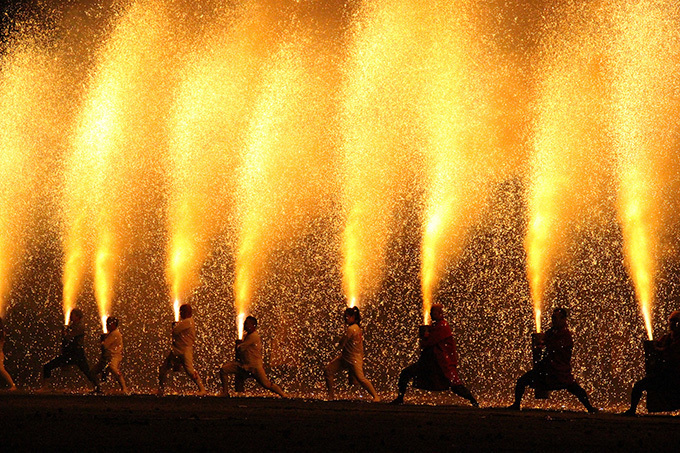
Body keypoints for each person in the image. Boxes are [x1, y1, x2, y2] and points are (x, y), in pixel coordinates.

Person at [509, 307, 597, 413]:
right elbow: (545, 342)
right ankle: (516, 404)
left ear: (563, 319)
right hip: (548, 370)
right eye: (553, 318)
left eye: (556, 318)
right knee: (522, 381)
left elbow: (556, 346)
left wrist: (544, 342)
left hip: (559, 371)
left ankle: (590, 408)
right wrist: (540, 341)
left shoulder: (565, 335)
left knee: (575, 389)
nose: (553, 321)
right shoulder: (552, 332)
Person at [390, 303, 478, 407]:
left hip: (440, 363)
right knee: (406, 374)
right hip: (431, 362)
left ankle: (473, 401)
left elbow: (428, 342)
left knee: (455, 385)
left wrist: (425, 334)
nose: (431, 315)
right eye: (431, 313)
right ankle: (400, 398)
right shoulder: (437, 326)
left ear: (440, 313)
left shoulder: (442, 326)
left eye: (433, 312)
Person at [623, 310, 680, 415]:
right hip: (664, 375)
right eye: (671, 322)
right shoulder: (666, 338)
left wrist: (659, 349)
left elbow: (672, 351)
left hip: (676, 375)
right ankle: (632, 410)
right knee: (639, 386)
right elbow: (658, 347)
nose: (672, 325)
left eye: (675, 322)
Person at [219, 315, 287, 398]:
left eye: (247, 324)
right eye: (245, 323)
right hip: (244, 365)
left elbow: (241, 348)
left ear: (253, 325)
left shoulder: (253, 336)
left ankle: (283, 394)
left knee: (266, 384)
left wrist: (238, 344)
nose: (245, 325)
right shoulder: (248, 336)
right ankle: (228, 393)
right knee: (224, 370)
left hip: (254, 366)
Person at [325, 306, 380, 402]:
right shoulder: (357, 328)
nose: (345, 319)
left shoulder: (352, 329)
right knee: (328, 370)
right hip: (347, 357)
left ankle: (376, 396)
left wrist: (339, 342)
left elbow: (342, 343)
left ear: (353, 317)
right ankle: (331, 397)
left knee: (361, 378)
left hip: (353, 359)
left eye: (347, 317)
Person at [40, 308, 98, 392]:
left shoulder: (79, 327)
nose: (71, 316)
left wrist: (65, 333)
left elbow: (68, 338)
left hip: (77, 353)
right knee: (48, 366)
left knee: (87, 371)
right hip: (71, 353)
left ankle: (97, 387)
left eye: (72, 315)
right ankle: (45, 387)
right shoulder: (73, 326)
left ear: (77, 316)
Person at [158, 304, 206, 396]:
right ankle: (161, 389)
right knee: (164, 368)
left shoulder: (187, 322)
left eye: (181, 311)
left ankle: (202, 389)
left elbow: (175, 331)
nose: (180, 313)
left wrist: (174, 326)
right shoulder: (188, 322)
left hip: (184, 350)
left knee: (189, 370)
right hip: (178, 349)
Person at [91, 316, 128, 394]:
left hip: (114, 356)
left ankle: (124, 389)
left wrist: (102, 340)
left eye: (109, 324)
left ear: (114, 325)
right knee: (93, 372)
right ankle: (98, 388)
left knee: (113, 368)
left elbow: (105, 345)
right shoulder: (112, 333)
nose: (107, 326)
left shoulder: (115, 334)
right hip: (108, 357)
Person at [0, 317, 17, 391]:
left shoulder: (1, 333)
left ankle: (12, 385)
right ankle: (12, 385)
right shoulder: (2, 332)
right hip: (0, 353)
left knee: (1, 369)